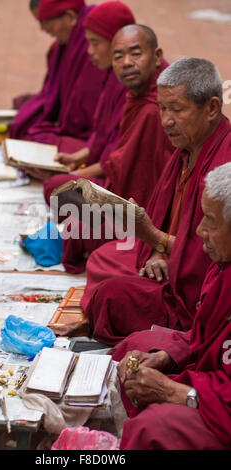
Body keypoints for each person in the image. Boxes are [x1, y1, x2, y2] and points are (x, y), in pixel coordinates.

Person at [77, 57, 231, 346]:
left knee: (110, 296)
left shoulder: (225, 164)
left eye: (176, 109)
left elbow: (214, 256)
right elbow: (166, 214)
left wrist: (155, 238)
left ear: (211, 108)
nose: (166, 121)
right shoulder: (187, 148)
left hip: (195, 293)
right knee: (103, 258)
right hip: (169, 260)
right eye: (162, 108)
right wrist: (156, 253)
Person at [112, 163, 231, 450]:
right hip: (213, 381)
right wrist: (168, 355)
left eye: (211, 221)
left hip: (222, 409)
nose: (200, 230)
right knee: (137, 348)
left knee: (153, 428)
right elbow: (205, 334)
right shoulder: (223, 267)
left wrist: (177, 392)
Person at [50, 24, 174, 276]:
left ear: (157, 56)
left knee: (79, 232)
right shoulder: (136, 95)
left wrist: (157, 246)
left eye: (136, 54)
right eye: (119, 56)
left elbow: (146, 183)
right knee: (65, 198)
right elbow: (116, 150)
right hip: (124, 197)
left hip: (148, 215)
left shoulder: (155, 109)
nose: (127, 63)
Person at [26, 1, 135, 185]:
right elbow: (104, 132)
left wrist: (72, 176)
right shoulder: (112, 74)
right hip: (100, 156)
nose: (89, 52)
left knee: (55, 186)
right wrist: (78, 159)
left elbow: (118, 159)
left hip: (124, 182)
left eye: (94, 43)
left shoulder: (134, 83)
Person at [9, 0, 107, 152]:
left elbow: (90, 110)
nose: (43, 29)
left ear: (70, 17)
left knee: (34, 136)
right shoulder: (61, 46)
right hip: (87, 138)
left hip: (97, 140)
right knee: (26, 119)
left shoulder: (93, 47)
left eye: (46, 22)